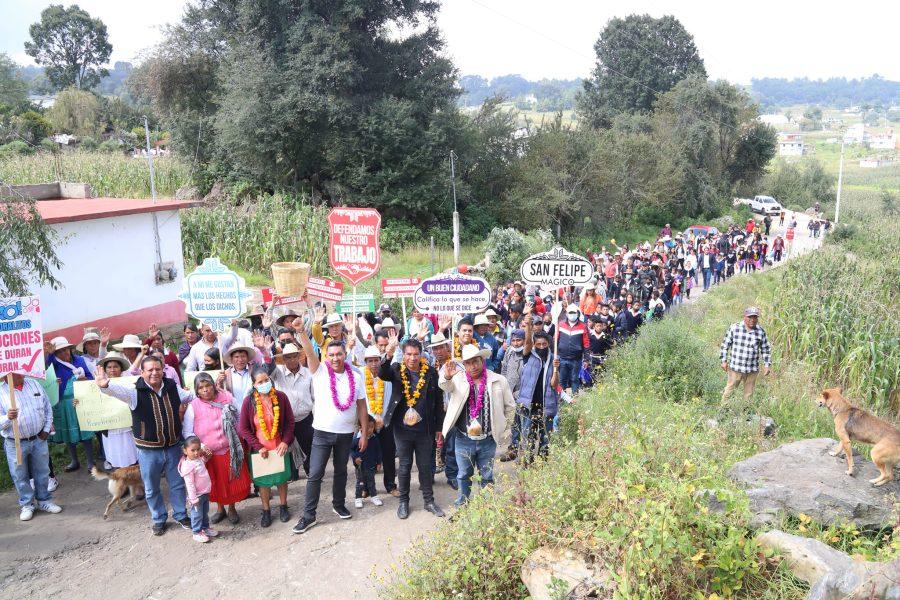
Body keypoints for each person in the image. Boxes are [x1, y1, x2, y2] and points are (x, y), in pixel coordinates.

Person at [97, 355, 195, 535]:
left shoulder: (173, 387)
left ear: (163, 370)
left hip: (173, 447)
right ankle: (159, 519)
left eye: (158, 369)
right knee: (151, 488)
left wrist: (215, 387)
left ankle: (181, 515)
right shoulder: (135, 391)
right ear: (142, 372)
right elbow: (114, 390)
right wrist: (105, 385)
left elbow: (191, 396)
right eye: (150, 370)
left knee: (177, 484)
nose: (154, 373)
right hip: (148, 451)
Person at [292, 329, 368, 535]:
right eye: (331, 355)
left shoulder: (357, 376)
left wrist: (364, 434)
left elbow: (362, 406)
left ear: (345, 354)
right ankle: (309, 516)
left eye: (339, 354)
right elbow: (308, 352)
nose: (335, 358)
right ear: (326, 356)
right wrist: (301, 332)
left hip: (346, 434)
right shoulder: (319, 371)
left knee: (341, 471)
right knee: (315, 474)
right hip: (322, 433)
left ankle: (339, 504)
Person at [439, 344, 515, 506]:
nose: (472, 366)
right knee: (463, 475)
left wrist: (506, 429)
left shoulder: (498, 380)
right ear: (464, 364)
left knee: (486, 475)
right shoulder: (458, 379)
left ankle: (487, 508)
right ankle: (462, 505)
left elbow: (510, 407)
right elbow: (445, 387)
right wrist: (447, 376)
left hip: (488, 440)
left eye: (476, 362)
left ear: (483, 360)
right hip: (463, 439)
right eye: (468, 363)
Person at [379, 337, 445, 519]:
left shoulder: (431, 372)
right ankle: (403, 502)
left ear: (421, 355)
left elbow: (438, 402)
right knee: (405, 466)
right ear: (404, 355)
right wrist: (389, 353)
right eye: (408, 354)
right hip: (402, 430)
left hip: (425, 429)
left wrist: (439, 427)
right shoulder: (396, 370)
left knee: (425, 466)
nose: (412, 358)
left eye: (416, 354)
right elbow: (381, 373)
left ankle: (429, 501)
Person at [182, 372, 250, 525]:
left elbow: (239, 416)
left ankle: (232, 508)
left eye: (208, 386)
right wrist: (202, 447)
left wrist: (237, 438)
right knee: (215, 482)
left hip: (229, 449)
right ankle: (220, 509)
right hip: (208, 454)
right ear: (197, 390)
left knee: (231, 480)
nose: (205, 390)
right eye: (201, 388)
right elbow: (187, 431)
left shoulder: (227, 397)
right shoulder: (193, 406)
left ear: (213, 385)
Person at [237, 366, 295, 527]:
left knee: (282, 479)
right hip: (260, 450)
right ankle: (266, 510)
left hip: (279, 446)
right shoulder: (249, 402)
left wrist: (285, 441)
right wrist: (258, 446)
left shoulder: (281, 397)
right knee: (263, 483)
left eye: (266, 380)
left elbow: (290, 422)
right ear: (254, 385)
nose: (264, 384)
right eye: (260, 382)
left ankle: (283, 506)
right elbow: (243, 428)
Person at [1, 373, 62, 521]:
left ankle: (44, 501)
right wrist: (7, 418)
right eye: (15, 373)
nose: (20, 374)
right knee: (19, 475)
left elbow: (47, 408)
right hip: (14, 442)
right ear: (5, 376)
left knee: (42, 471)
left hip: (38, 439)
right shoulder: (1, 392)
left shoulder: (34, 384)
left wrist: (46, 429)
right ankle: (27, 504)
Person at [45, 336, 97, 472]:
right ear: (56, 353)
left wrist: (84, 378)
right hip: (63, 403)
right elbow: (48, 368)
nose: (64, 353)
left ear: (70, 349)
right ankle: (74, 461)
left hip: (79, 401)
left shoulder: (79, 360)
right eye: (60, 351)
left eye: (66, 350)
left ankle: (91, 462)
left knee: (85, 431)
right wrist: (50, 354)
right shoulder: (54, 362)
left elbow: (90, 378)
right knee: (68, 432)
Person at [516, 310, 560, 463]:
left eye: (544, 344)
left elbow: (555, 384)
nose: (541, 346)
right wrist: (528, 323)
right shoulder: (529, 355)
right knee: (528, 436)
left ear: (548, 345)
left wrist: (556, 369)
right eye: (538, 344)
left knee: (545, 439)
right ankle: (528, 463)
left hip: (546, 405)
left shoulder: (554, 359)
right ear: (535, 345)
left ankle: (543, 466)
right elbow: (527, 341)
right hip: (529, 405)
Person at [268, 343, 314, 477]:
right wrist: (265, 351)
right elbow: (268, 367)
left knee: (308, 447)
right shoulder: (278, 372)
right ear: (284, 359)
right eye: (288, 357)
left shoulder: (308, 373)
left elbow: (314, 395)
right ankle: (292, 474)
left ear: (299, 357)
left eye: (295, 356)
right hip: (286, 420)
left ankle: (310, 472)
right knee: (287, 446)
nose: (292, 360)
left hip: (306, 417)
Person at [360, 344, 397, 496]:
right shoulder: (360, 376)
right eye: (370, 361)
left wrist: (383, 417)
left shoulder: (386, 376)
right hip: (367, 423)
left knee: (389, 454)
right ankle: (366, 488)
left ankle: (391, 485)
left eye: (376, 360)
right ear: (365, 362)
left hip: (385, 421)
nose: (374, 364)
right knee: (366, 455)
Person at [720, 307, 772, 404]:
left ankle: (746, 414)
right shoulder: (734, 328)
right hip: (736, 367)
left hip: (752, 369)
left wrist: (767, 365)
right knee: (729, 390)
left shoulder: (760, 332)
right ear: (744, 317)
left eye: (755, 317)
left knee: (749, 394)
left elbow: (765, 349)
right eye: (750, 317)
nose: (752, 320)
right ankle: (723, 412)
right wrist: (723, 361)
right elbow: (725, 345)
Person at [95, 353, 138, 469]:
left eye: (115, 366)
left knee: (131, 455)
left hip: (127, 427)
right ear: (105, 369)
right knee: (115, 457)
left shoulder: (129, 383)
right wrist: (79, 402)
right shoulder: (95, 385)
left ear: (121, 368)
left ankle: (136, 484)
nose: (112, 370)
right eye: (109, 367)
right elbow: (91, 402)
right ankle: (121, 483)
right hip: (109, 427)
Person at [178, 436, 217, 543]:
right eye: (192, 450)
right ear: (185, 451)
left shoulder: (198, 459)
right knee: (197, 514)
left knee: (205, 512)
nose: (196, 453)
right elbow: (189, 484)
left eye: (198, 449)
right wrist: (193, 499)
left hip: (204, 492)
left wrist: (207, 457)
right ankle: (196, 532)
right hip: (196, 496)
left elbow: (202, 463)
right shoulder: (187, 466)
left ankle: (205, 528)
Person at [498, 329, 527, 463]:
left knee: (525, 423)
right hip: (509, 392)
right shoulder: (509, 352)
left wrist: (519, 393)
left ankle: (526, 453)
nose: (516, 343)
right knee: (514, 422)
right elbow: (504, 368)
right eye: (514, 340)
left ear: (524, 340)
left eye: (519, 340)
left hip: (524, 394)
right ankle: (513, 449)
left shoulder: (528, 354)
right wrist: (503, 387)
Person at [351, 415, 383, 509]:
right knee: (360, 483)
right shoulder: (356, 439)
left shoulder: (375, 438)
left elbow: (378, 451)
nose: (370, 429)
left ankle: (374, 496)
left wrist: (379, 463)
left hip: (371, 465)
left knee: (371, 482)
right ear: (361, 427)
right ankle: (358, 498)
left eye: (372, 427)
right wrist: (355, 458)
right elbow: (352, 451)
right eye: (367, 427)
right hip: (360, 467)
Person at [556, 305, 589, 394]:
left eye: (574, 313)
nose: (572, 315)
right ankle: (561, 399)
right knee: (562, 380)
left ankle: (575, 399)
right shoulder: (561, 324)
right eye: (570, 313)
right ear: (566, 314)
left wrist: (586, 359)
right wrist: (555, 355)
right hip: (562, 357)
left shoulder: (583, 326)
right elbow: (556, 340)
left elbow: (586, 343)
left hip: (576, 359)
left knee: (574, 379)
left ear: (577, 314)